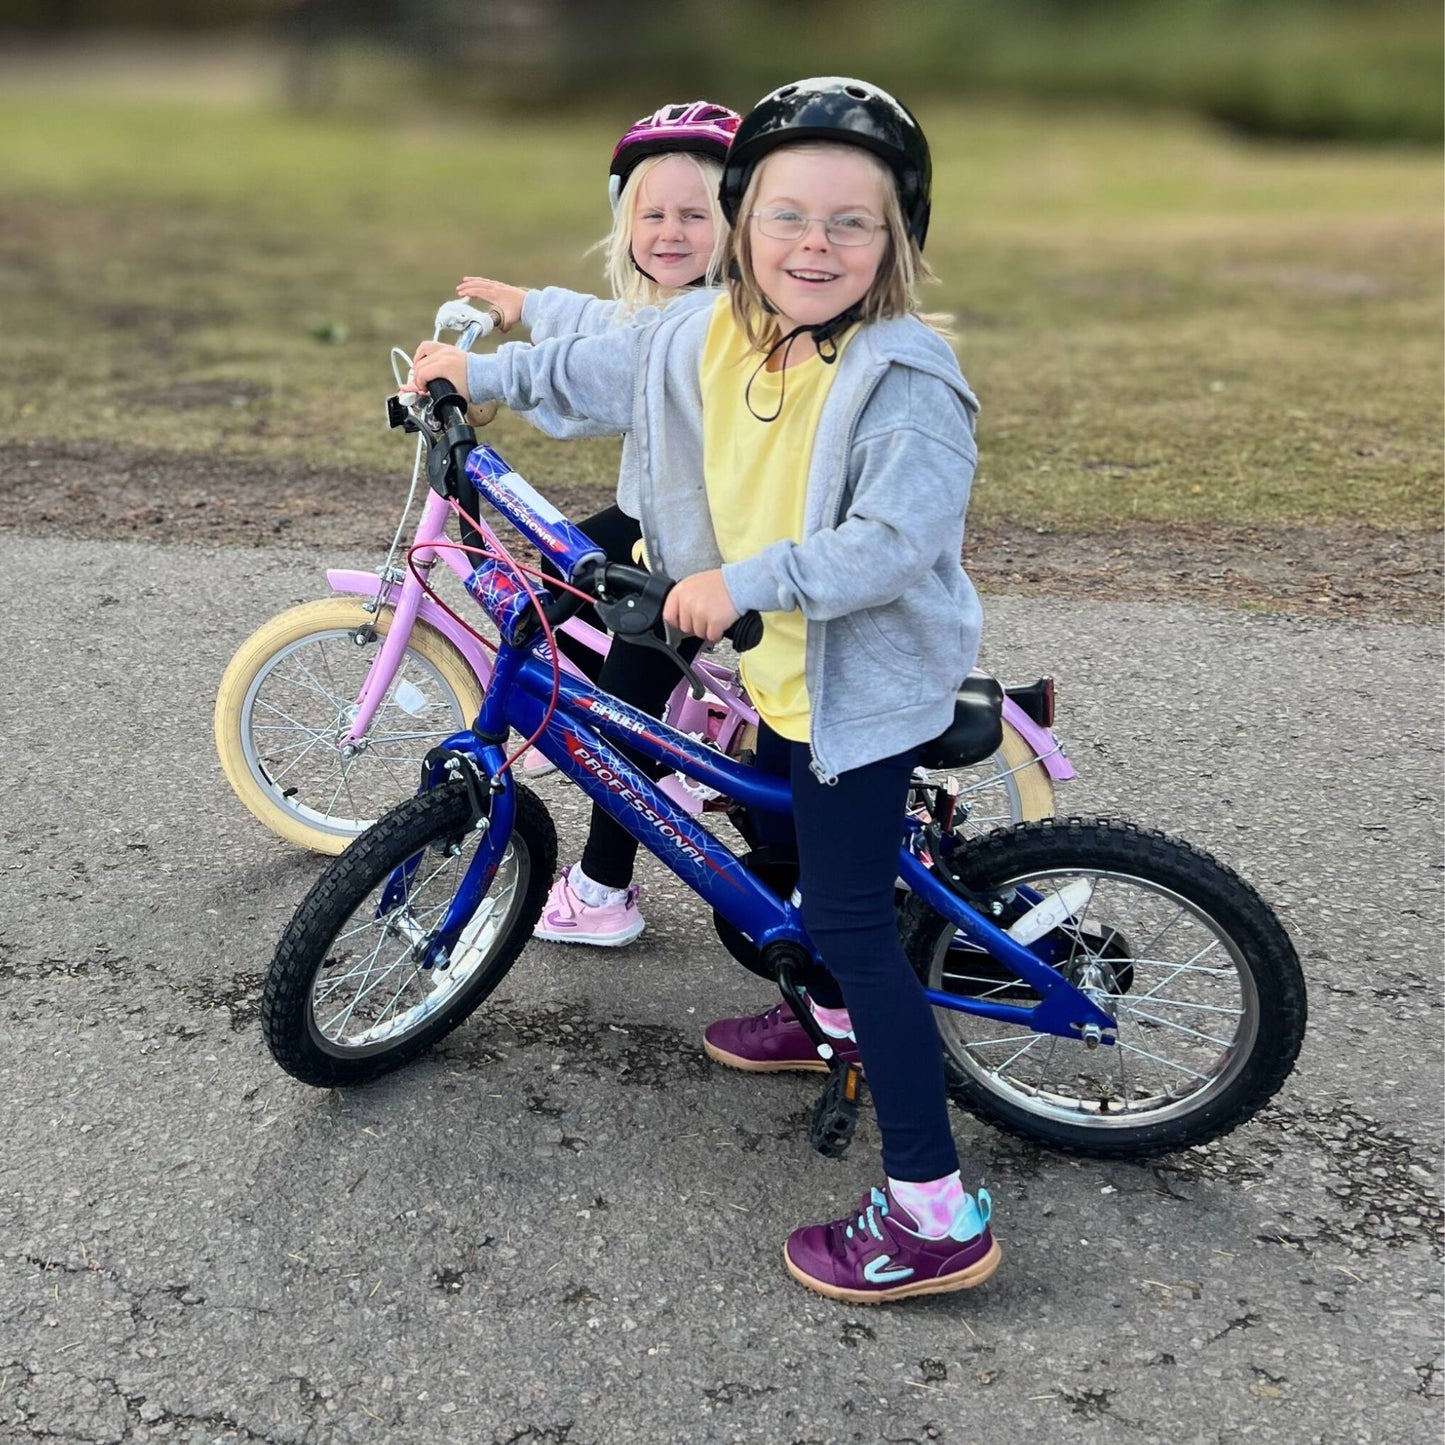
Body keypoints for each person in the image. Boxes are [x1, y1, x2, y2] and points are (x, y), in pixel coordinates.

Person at [412, 77, 999, 1303]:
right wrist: (477, 375)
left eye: (852, 222)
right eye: (785, 216)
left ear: (897, 240)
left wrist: (739, 580)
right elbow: (600, 362)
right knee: (772, 837)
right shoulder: (710, 330)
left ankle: (932, 1210)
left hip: (862, 685)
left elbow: (892, 541)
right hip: (786, 668)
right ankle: (827, 1013)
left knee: (843, 912)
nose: (814, 245)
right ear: (741, 224)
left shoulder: (906, 376)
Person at [454, 101, 741, 947]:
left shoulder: (713, 319)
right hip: (664, 516)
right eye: (651, 214)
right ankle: (562, 715)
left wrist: (482, 371)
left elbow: (606, 369)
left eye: (696, 214)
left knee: (625, 722)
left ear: (738, 225)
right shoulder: (686, 303)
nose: (671, 231)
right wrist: (530, 303)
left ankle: (603, 890)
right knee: (553, 579)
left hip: (701, 554)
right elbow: (614, 327)